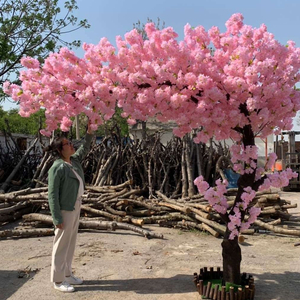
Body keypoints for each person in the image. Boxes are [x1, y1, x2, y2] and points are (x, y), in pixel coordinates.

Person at [46, 125, 94, 293]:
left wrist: (88, 132)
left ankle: (67, 274)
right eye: (67, 144)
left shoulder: (73, 161)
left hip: (76, 206)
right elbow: (52, 195)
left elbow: (85, 148)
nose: (71, 145)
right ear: (60, 149)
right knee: (60, 245)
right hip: (65, 209)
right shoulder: (57, 168)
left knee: (70, 243)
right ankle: (58, 280)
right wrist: (57, 218)